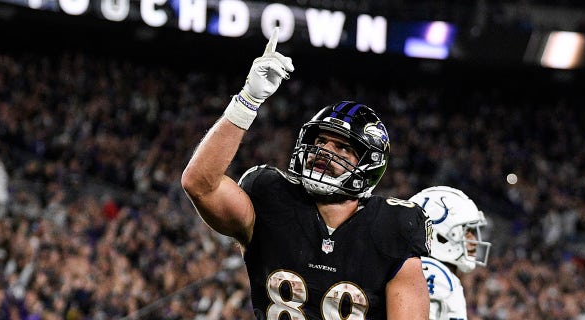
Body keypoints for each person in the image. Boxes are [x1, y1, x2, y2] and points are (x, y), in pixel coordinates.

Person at [181, 27, 432, 319]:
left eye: (342, 148)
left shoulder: (393, 226)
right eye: (320, 141)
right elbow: (199, 184)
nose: (324, 151)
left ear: (370, 164)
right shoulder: (271, 195)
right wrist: (247, 101)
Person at [408, 186, 492, 320]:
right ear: (440, 235)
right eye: (467, 231)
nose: (474, 240)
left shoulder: (413, 267)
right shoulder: (436, 275)